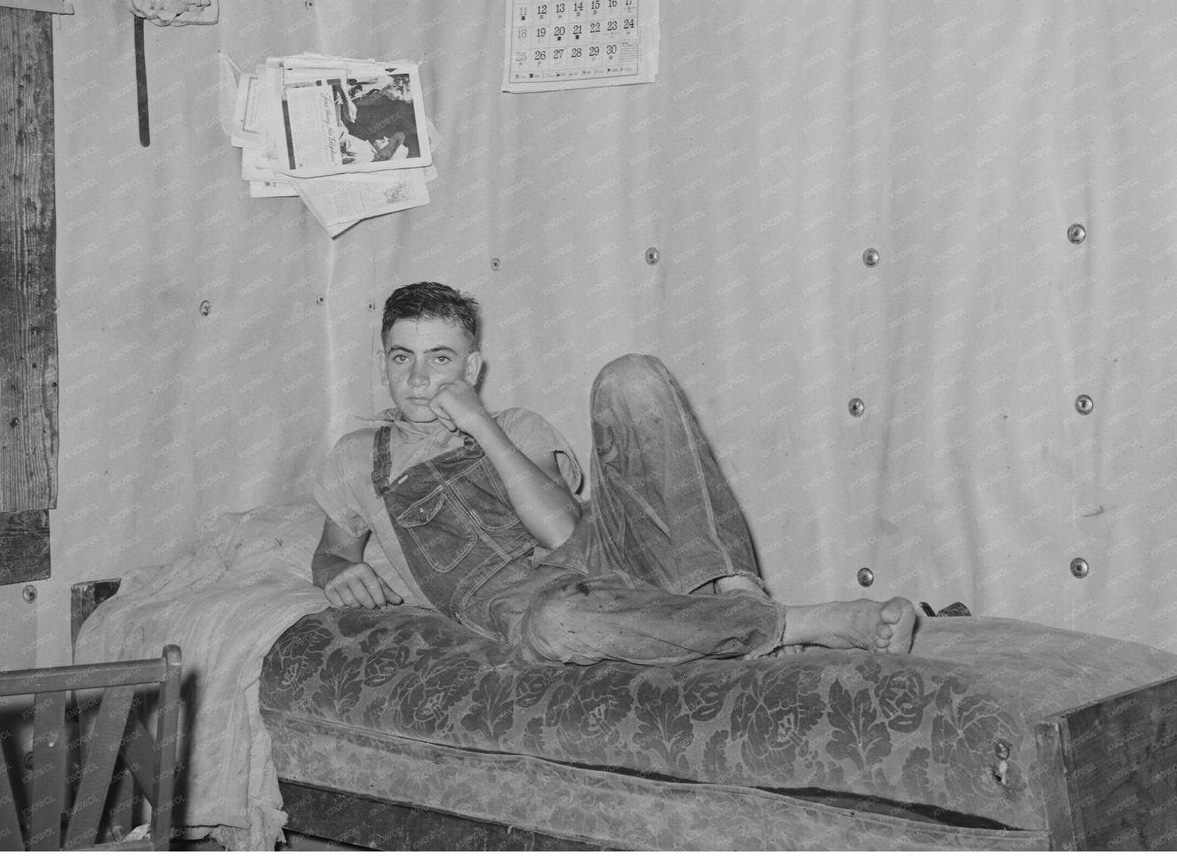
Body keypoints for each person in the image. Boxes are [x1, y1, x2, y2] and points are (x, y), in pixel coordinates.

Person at [311, 281, 917, 666]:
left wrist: (481, 427)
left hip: (606, 553)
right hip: (534, 603)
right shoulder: (357, 457)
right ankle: (792, 626)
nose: (419, 379)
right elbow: (331, 553)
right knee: (557, 624)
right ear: (385, 363)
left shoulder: (517, 426)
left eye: (440, 359)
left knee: (629, 376)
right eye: (402, 358)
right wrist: (342, 571)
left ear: (472, 366)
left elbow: (560, 534)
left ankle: (734, 588)